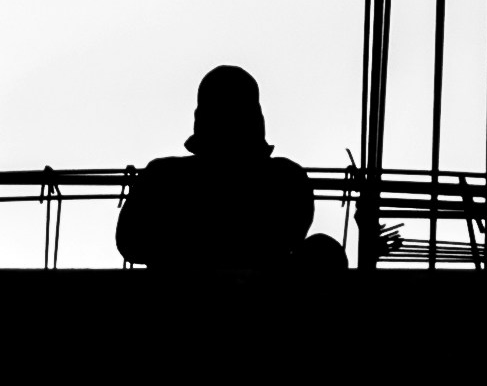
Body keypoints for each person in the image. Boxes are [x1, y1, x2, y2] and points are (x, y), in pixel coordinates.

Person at [117, 65, 333, 273]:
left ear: (200, 119)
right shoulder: (287, 180)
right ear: (257, 118)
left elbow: (131, 244)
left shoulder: (162, 177)